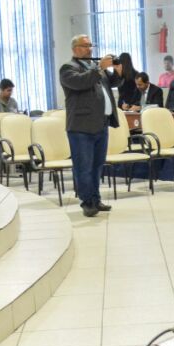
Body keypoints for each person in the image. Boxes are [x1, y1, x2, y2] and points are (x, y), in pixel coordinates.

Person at [60, 35, 117, 218]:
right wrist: (100, 67)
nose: (89, 49)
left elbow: (113, 83)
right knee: (83, 167)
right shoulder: (68, 68)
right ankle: (87, 202)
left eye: (91, 45)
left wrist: (119, 71)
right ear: (75, 49)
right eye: (85, 46)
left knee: (97, 165)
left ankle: (95, 198)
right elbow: (80, 83)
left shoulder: (94, 68)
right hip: (81, 127)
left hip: (101, 124)